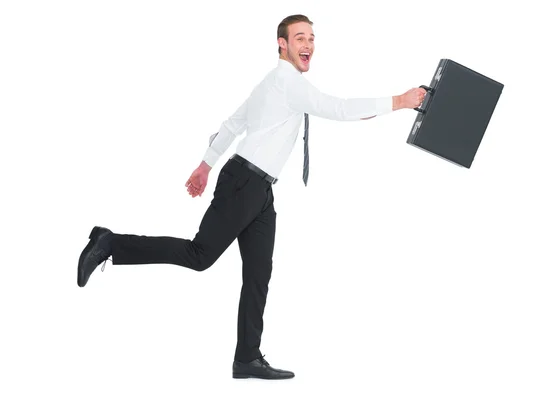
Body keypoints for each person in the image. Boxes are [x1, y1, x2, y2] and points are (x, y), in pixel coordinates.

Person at [77, 14, 426, 380]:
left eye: (312, 38)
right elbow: (337, 109)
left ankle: (247, 357)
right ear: (282, 44)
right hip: (244, 183)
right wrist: (400, 100)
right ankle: (111, 243)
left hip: (260, 191)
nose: (308, 45)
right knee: (200, 256)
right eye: (300, 38)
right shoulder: (286, 81)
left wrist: (204, 166)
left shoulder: (276, 84)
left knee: (259, 273)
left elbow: (234, 124)